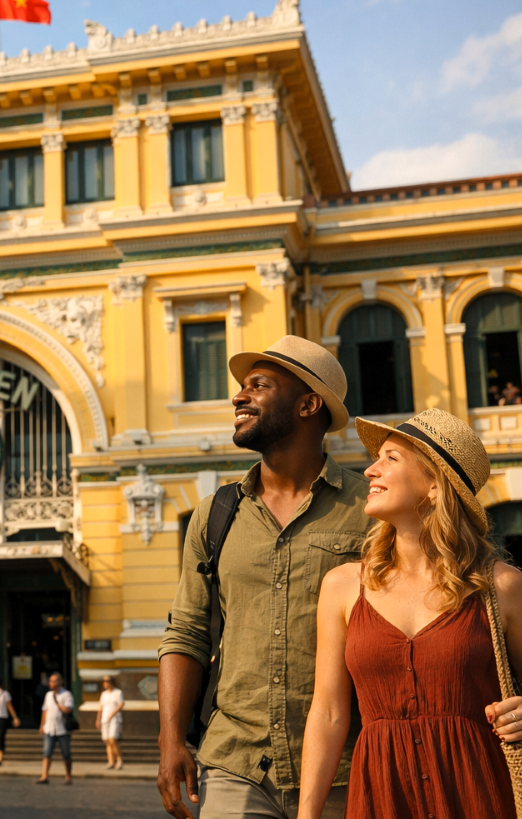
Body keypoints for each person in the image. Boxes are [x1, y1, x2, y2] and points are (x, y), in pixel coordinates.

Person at [297, 408, 522, 819]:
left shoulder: (501, 586)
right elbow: (329, 712)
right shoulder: (342, 586)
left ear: (433, 485)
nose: (370, 470)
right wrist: (307, 815)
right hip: (381, 799)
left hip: (480, 795)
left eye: (390, 458)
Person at [158, 335, 372, 819]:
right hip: (235, 763)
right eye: (241, 387)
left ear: (307, 404)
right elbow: (187, 633)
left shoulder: (371, 510)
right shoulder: (215, 515)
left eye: (258, 385)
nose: (238, 396)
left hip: (346, 765)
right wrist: (170, 742)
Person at [37, 672, 75, 785]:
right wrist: (42, 725)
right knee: (47, 753)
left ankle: (68, 776)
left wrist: (58, 704)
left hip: (62, 729)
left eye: (53, 681)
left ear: (59, 682)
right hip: (49, 728)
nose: (50, 683)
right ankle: (44, 776)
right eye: (50, 681)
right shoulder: (48, 695)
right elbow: (45, 710)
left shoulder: (66, 694)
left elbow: (68, 709)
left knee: (66, 754)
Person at [96, 675, 125, 770]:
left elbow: (121, 704)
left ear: (111, 682)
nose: (104, 683)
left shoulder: (117, 692)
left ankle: (119, 760)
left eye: (106, 681)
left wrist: (113, 713)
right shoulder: (103, 694)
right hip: (104, 719)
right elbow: (101, 707)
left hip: (114, 719)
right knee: (107, 741)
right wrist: (98, 719)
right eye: (103, 681)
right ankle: (111, 761)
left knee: (113, 739)